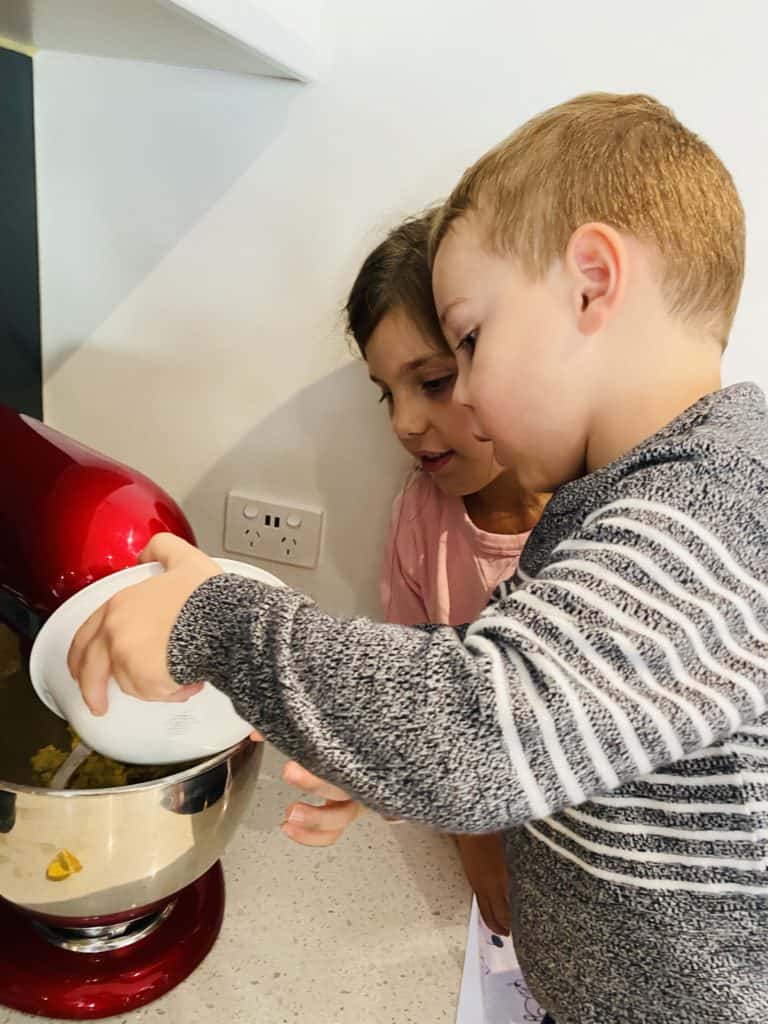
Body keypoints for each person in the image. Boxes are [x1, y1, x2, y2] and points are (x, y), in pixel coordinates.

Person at [69, 93, 768, 1024]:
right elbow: (537, 736)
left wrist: (215, 618)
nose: (468, 390)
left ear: (594, 282)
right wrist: (379, 759)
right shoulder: (630, 504)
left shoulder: (713, 506)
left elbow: (481, 727)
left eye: (470, 341)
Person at [281, 211, 548, 946]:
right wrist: (475, 841)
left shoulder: (599, 519)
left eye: (431, 382)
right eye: (385, 393)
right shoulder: (421, 516)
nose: (403, 423)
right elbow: (417, 701)